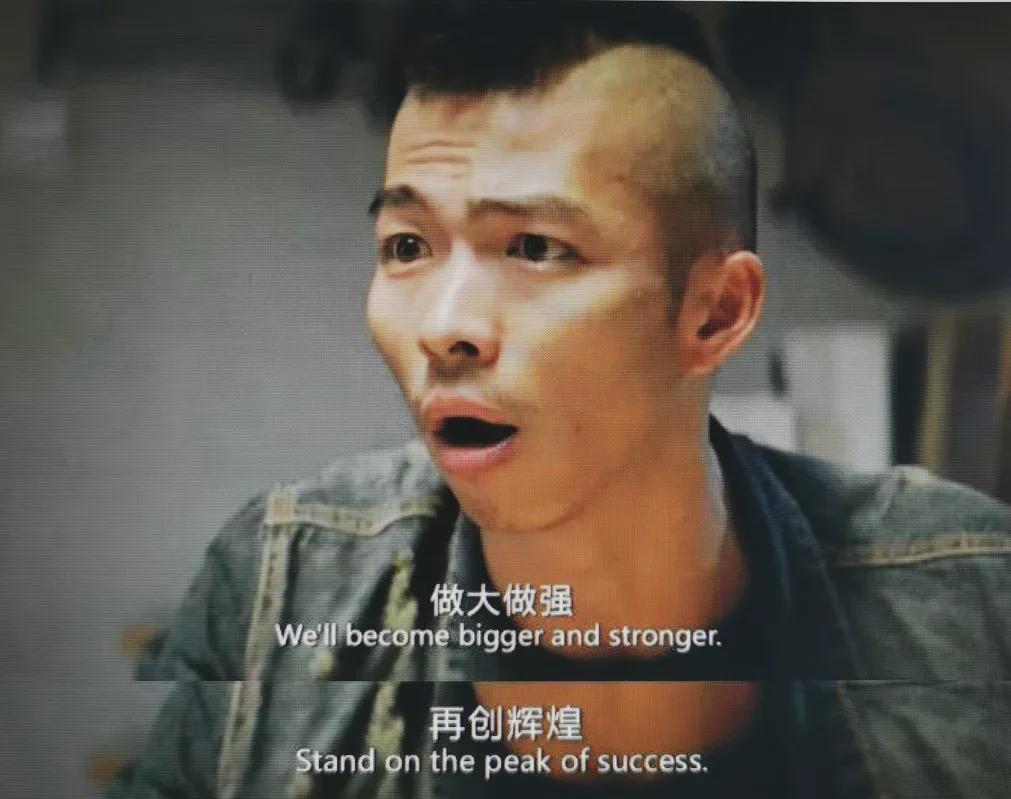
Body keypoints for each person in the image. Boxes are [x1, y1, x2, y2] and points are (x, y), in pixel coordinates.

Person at [110, 4, 1011, 799]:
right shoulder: (279, 585)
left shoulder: (969, 597)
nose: (443, 326)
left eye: (536, 247)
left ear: (714, 313)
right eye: (407, 246)